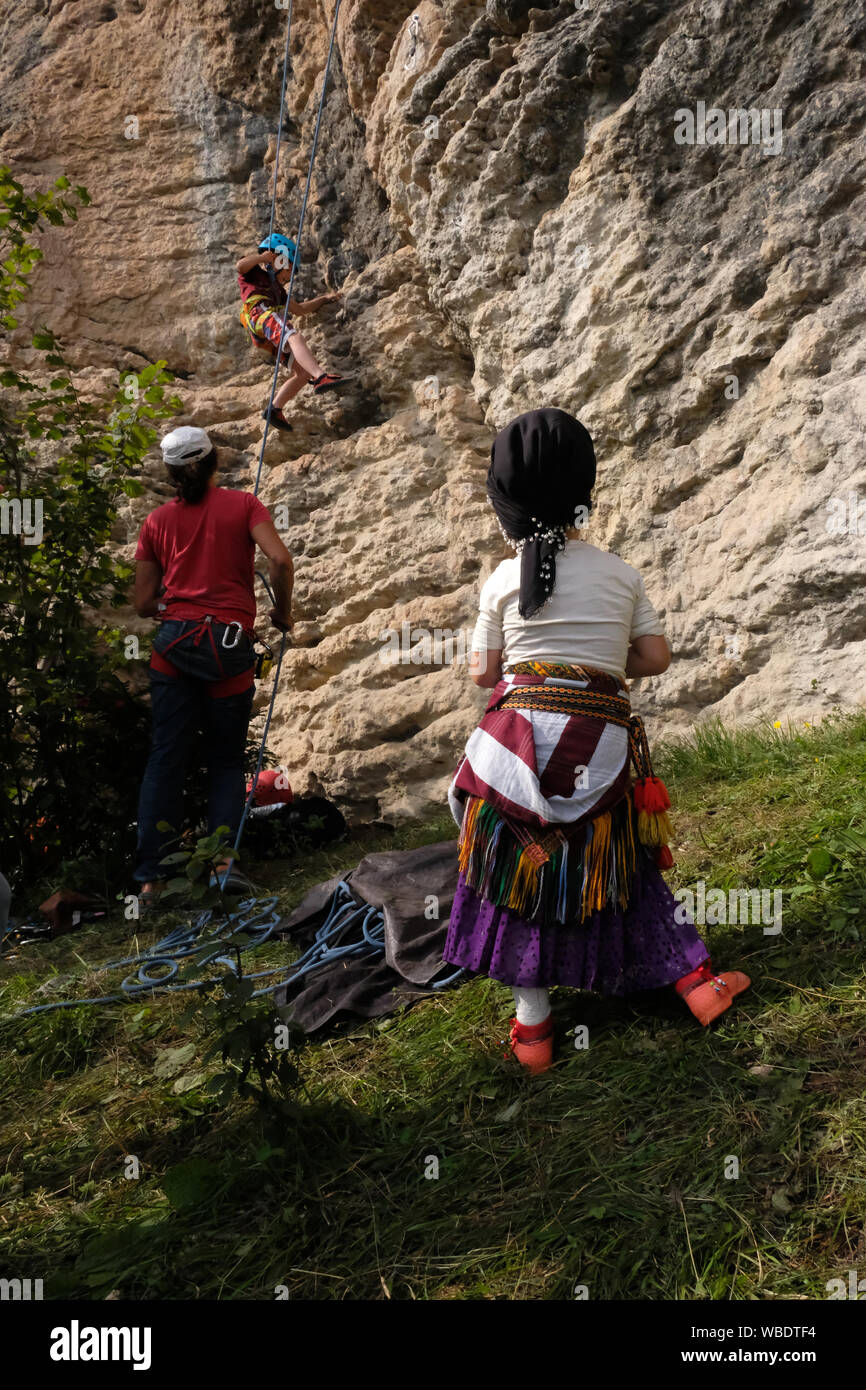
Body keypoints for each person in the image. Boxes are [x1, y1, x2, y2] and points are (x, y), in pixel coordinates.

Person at [444, 408, 750, 1074]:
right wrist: (600, 669)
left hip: (516, 750)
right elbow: (654, 657)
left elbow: (482, 675)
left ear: (507, 511)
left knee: (508, 863)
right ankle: (694, 982)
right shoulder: (620, 573)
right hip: (602, 752)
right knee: (627, 866)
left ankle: (534, 1032)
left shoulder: (501, 581)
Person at [132, 426, 294, 904]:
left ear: (171, 472)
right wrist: (281, 613)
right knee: (224, 761)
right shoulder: (245, 506)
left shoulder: (157, 521)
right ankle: (224, 867)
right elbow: (280, 562)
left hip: (174, 648)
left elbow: (143, 603)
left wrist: (180, 598)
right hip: (228, 648)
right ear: (214, 461)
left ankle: (152, 881)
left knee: (166, 758)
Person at [237, 233, 345, 432]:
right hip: (260, 312)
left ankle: (274, 409)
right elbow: (240, 266)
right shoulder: (255, 272)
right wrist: (262, 258)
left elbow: (301, 309)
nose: (288, 279)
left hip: (263, 333)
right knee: (293, 335)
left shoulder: (278, 291)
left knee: (302, 373)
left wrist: (324, 299)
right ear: (279, 259)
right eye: (289, 271)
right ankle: (321, 376)